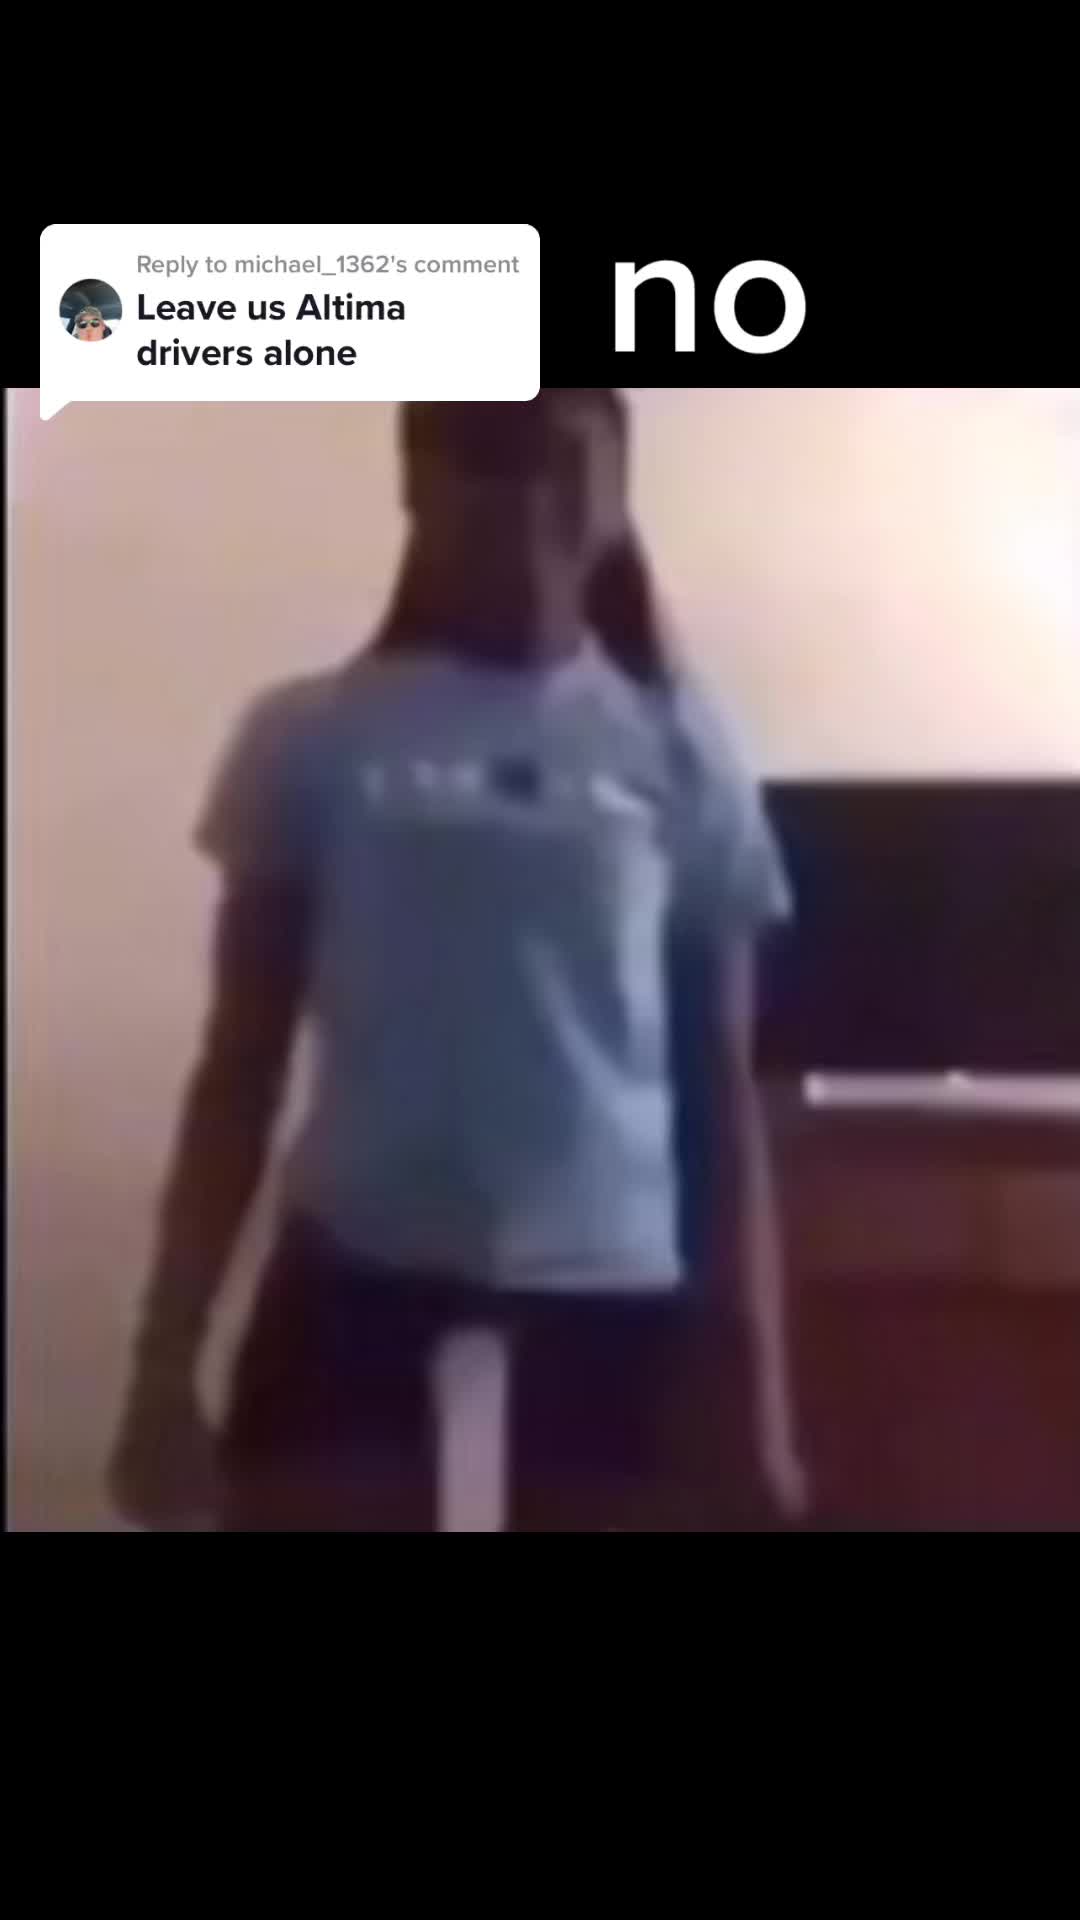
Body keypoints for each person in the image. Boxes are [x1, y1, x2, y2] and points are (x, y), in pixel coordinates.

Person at [110, 389, 807, 1532]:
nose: (525, 498)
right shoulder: (311, 738)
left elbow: (722, 1103)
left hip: (614, 1302)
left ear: (618, 495)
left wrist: (758, 1408)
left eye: (563, 463)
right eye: (485, 458)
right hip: (356, 1284)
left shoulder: (682, 749)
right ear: (415, 482)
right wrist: (160, 1365)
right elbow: (238, 1071)